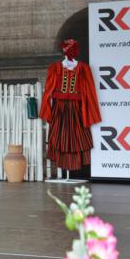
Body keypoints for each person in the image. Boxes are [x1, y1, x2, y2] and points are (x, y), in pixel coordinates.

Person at [39, 39, 101, 170]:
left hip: (76, 108)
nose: (70, 52)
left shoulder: (83, 68)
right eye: (68, 49)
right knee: (59, 135)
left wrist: (89, 110)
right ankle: (63, 165)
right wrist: (47, 107)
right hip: (59, 107)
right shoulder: (55, 67)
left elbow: (89, 90)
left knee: (77, 136)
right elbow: (49, 88)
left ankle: (75, 166)